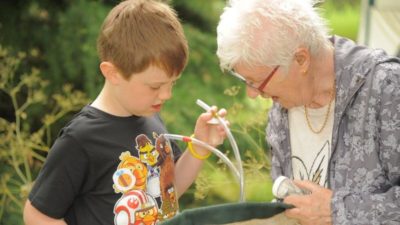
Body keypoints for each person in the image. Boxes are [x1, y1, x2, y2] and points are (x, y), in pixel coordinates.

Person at [23, 0, 227, 224]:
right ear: (113, 74)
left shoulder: (150, 117)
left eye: (173, 83)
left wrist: (200, 145)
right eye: (155, 86)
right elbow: (36, 214)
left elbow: (168, 191)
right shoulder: (81, 139)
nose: (167, 95)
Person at [216, 0, 400, 224]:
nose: (253, 94)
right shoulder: (282, 107)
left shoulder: (386, 86)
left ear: (301, 59)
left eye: (257, 82)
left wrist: (338, 211)